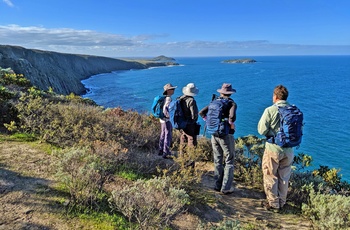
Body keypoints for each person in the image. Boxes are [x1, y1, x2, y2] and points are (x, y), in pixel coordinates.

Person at [257, 85, 294, 212]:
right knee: (284, 177)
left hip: (273, 148)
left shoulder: (270, 110)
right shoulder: (294, 110)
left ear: (276, 96)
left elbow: (262, 130)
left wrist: (271, 133)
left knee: (270, 175)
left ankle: (273, 204)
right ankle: (282, 202)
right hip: (289, 150)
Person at [199, 83, 237, 195]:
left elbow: (201, 112)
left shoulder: (214, 102)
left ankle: (217, 185)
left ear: (221, 92)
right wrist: (231, 125)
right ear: (230, 93)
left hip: (213, 133)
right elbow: (232, 117)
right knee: (229, 159)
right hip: (225, 134)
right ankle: (226, 187)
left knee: (218, 159)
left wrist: (209, 121)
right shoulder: (231, 103)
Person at [179, 83, 199, 155]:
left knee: (183, 140)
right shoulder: (191, 100)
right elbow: (194, 115)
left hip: (181, 122)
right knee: (191, 140)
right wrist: (194, 121)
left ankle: (182, 158)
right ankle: (191, 161)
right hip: (189, 123)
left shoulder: (180, 98)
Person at [159, 83, 177, 159]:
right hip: (166, 120)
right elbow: (166, 109)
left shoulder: (164, 98)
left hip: (162, 119)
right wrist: (169, 117)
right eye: (172, 89)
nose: (174, 90)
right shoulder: (169, 99)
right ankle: (165, 152)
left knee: (163, 134)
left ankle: (160, 150)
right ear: (169, 90)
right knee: (167, 135)